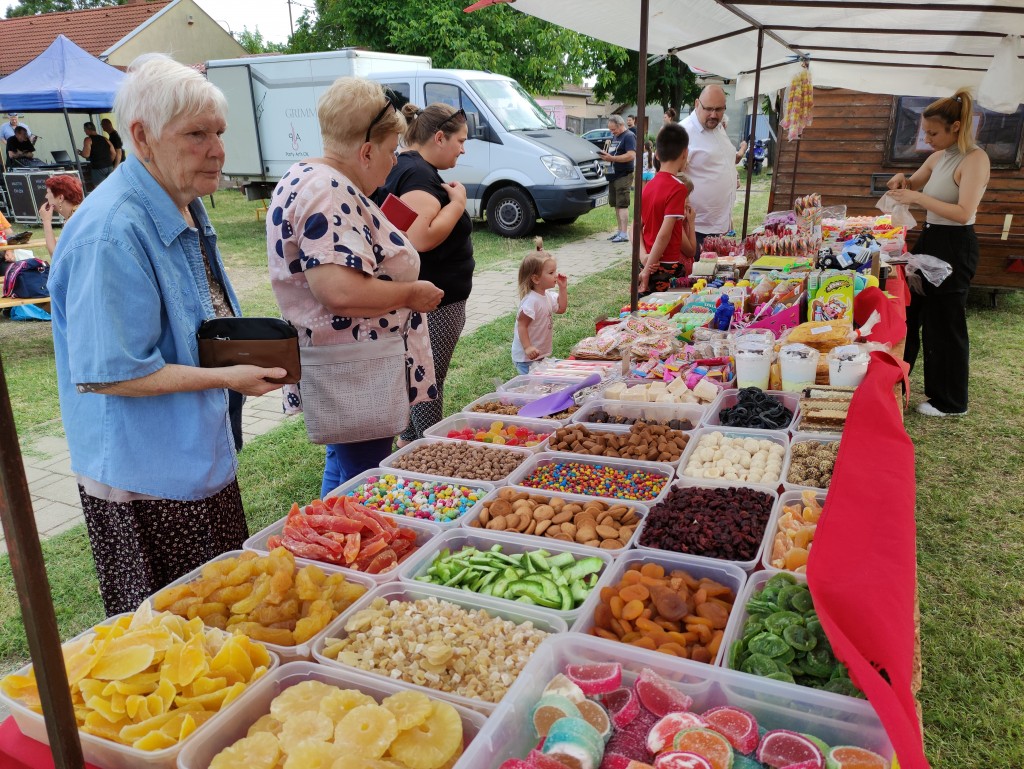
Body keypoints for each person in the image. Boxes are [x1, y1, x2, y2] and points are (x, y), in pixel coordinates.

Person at [48, 54, 286, 616]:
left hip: (198, 458)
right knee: (173, 640)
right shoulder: (111, 231)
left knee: (226, 618)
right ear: (142, 137)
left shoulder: (181, 200)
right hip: (147, 482)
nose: (217, 149)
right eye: (197, 134)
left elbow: (198, 317)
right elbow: (113, 373)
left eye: (220, 133)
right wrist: (229, 376)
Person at [267, 76, 443, 498]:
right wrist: (409, 294)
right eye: (390, 150)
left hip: (351, 365)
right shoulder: (326, 190)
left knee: (346, 467)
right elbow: (339, 291)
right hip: (355, 369)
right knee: (363, 478)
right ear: (366, 151)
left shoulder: (310, 176)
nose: (394, 161)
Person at [886, 88, 990, 417]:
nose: (927, 138)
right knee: (912, 313)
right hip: (929, 240)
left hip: (955, 244)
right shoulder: (937, 157)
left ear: (955, 128)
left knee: (945, 323)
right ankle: (901, 384)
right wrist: (903, 182)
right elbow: (914, 185)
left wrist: (917, 200)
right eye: (925, 132)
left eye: (933, 133)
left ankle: (951, 401)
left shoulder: (975, 159)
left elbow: (963, 211)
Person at [377, 102, 473, 446]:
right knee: (427, 379)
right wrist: (459, 205)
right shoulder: (417, 174)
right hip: (435, 302)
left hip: (430, 297)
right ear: (439, 137)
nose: (463, 148)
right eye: (460, 140)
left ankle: (409, 440)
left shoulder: (407, 166)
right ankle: (426, 449)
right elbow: (420, 237)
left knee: (418, 376)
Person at [639, 123, 696, 295]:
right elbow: (664, 234)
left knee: (647, 314)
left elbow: (635, 228)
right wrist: (647, 271)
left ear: (657, 154)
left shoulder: (648, 186)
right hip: (666, 268)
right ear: (685, 153)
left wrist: (644, 259)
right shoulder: (678, 188)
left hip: (648, 261)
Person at [681, 85, 739, 253]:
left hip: (720, 224)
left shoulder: (717, 127)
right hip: (698, 228)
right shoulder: (684, 132)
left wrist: (730, 176)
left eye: (719, 109)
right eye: (709, 109)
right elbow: (672, 177)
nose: (714, 115)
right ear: (697, 104)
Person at [511, 238, 568, 375]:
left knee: (542, 386)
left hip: (539, 356)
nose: (556, 275)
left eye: (555, 271)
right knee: (534, 389)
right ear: (536, 279)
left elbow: (561, 309)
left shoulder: (546, 295)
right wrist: (528, 347)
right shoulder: (531, 301)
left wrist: (563, 289)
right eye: (551, 273)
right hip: (526, 358)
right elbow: (522, 325)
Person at [599, 115, 637, 243]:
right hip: (613, 175)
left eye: (613, 129)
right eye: (610, 130)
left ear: (621, 125)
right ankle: (619, 232)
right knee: (616, 204)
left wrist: (612, 159)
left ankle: (624, 233)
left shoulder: (629, 136)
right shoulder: (616, 136)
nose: (612, 132)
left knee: (622, 204)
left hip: (623, 175)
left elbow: (631, 155)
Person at [38, 174, 83, 256]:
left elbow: (56, 256)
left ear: (60, 198)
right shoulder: (79, 213)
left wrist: (46, 221)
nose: (46, 196)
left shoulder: (73, 221)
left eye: (48, 193)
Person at [78, 121, 116, 186]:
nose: (84, 132)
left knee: (100, 188)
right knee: (112, 186)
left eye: (84, 130)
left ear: (87, 129)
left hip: (98, 167)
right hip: (109, 166)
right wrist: (108, 162)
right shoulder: (105, 139)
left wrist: (79, 152)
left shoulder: (88, 140)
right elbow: (114, 153)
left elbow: (86, 154)